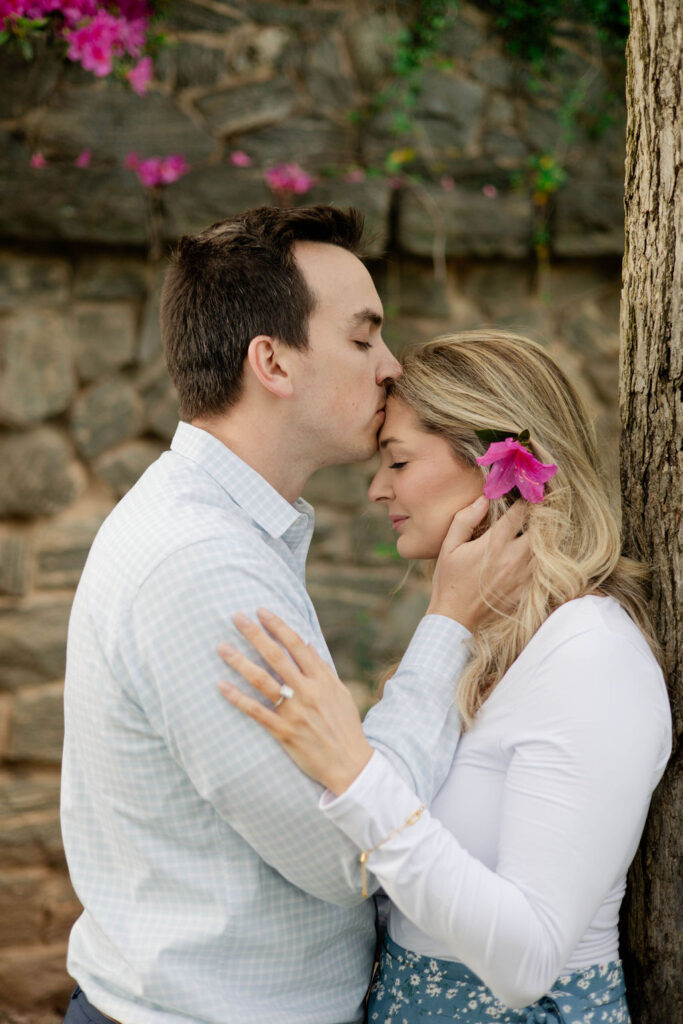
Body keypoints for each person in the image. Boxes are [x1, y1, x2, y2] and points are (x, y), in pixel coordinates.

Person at [60, 209, 532, 1024]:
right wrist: (451, 622)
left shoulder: (227, 529)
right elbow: (346, 850)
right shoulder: (201, 563)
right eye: (362, 338)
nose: (389, 367)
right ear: (271, 361)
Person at [218, 330, 672, 1024]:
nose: (376, 489)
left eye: (397, 461)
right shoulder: (484, 643)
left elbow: (529, 959)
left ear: (497, 469)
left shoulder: (590, 655)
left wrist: (354, 773)